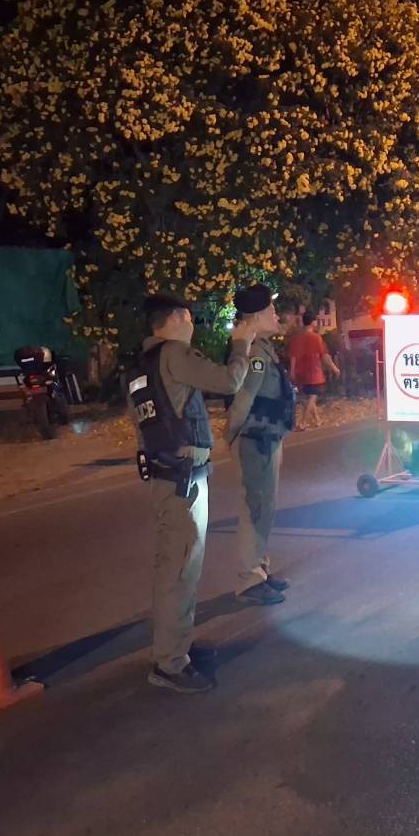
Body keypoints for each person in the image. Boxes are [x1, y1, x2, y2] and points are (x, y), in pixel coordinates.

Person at [130, 294, 254, 694]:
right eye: (189, 319)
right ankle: (169, 662)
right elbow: (228, 381)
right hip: (182, 480)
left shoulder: (143, 365)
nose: (192, 326)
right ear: (178, 318)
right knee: (180, 570)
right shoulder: (174, 354)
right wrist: (241, 345)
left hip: (168, 474)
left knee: (178, 568)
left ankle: (176, 646)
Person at [227, 284, 295, 605]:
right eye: (271, 310)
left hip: (268, 438)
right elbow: (243, 397)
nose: (276, 315)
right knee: (256, 509)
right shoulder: (255, 353)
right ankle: (249, 579)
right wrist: (232, 435)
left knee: (265, 507)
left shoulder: (263, 349)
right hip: (256, 441)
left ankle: (260, 568)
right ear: (256, 317)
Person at [286, 309, 341, 429]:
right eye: (316, 321)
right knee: (313, 396)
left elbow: (293, 356)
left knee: (309, 395)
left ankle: (317, 420)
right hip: (314, 373)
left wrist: (292, 371)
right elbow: (325, 356)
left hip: (300, 373)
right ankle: (303, 422)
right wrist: (334, 368)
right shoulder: (316, 338)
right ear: (312, 322)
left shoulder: (296, 339)